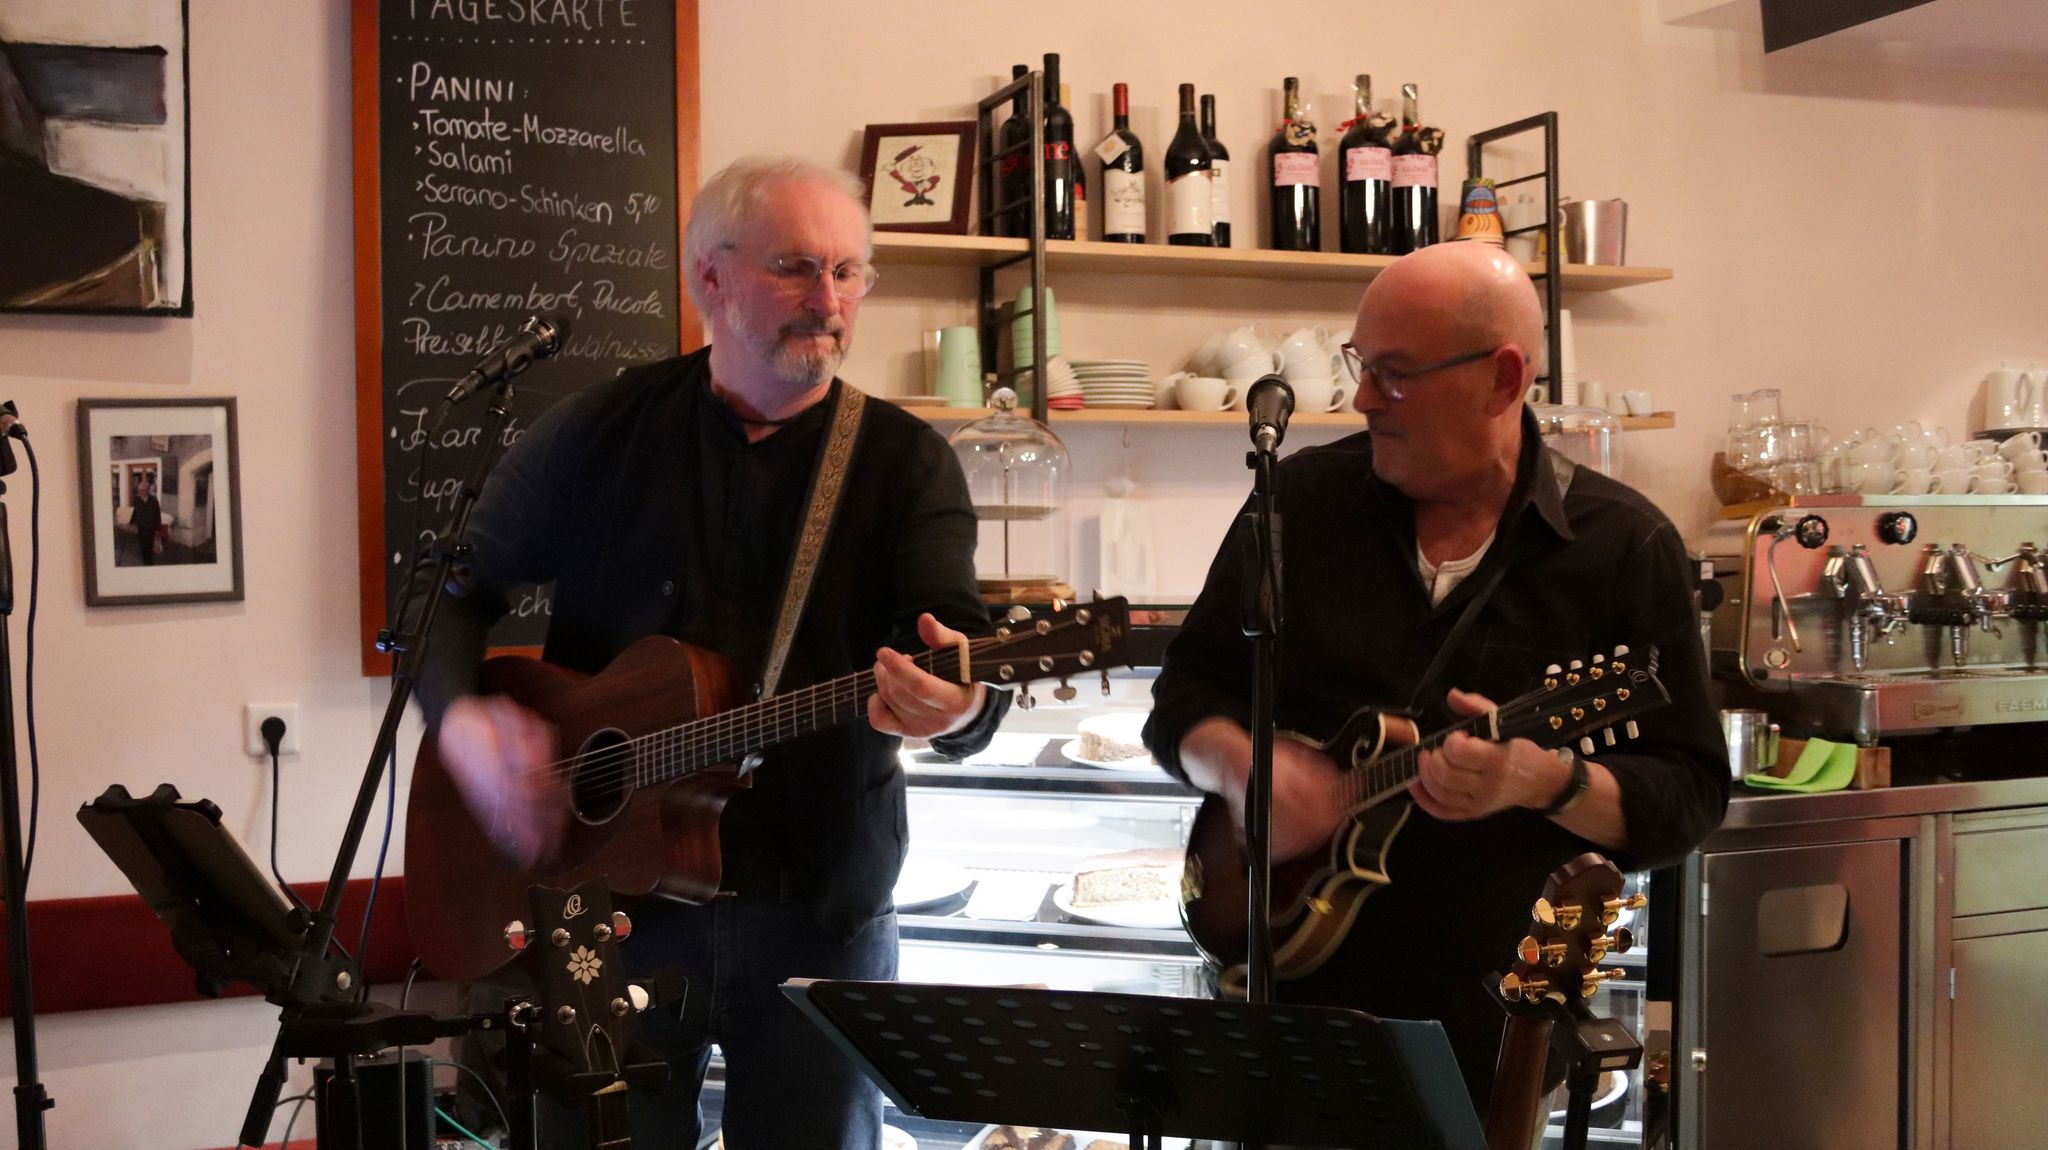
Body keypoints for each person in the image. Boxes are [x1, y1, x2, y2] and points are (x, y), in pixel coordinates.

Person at [416, 155, 1008, 1150]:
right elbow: (449, 592)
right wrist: (466, 724)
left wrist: (959, 703)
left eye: (849, 272)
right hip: (598, 896)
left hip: (818, 906)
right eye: (794, 268)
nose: (828, 301)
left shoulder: (906, 463)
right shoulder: (600, 432)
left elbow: (953, 637)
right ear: (707, 277)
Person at [1143, 242, 1727, 1115]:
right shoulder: (1298, 504)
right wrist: (1242, 769)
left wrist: (1550, 780)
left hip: (1488, 1029)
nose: (1366, 398)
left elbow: (1688, 796)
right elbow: (1183, 695)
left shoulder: (1624, 548)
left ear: (1502, 378)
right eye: (1360, 366)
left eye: (1396, 374)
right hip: (1284, 1005)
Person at [131, 472, 162, 566]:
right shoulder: (137, 500)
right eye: (140, 490)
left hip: (150, 529)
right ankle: (145, 562)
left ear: (148, 490)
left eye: (144, 490)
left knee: (149, 548)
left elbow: (157, 515)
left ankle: (149, 564)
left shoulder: (154, 501)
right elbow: (135, 512)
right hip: (141, 528)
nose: (141, 492)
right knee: (142, 547)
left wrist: (157, 530)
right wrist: (131, 522)